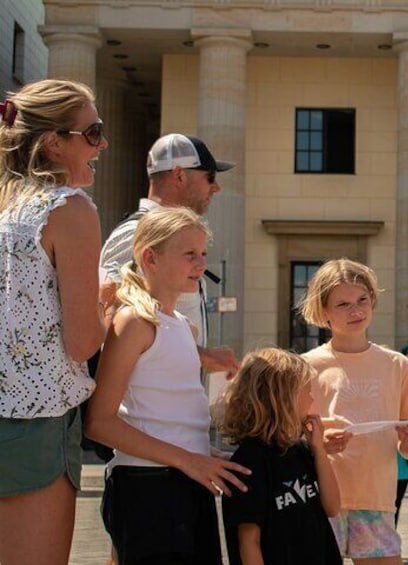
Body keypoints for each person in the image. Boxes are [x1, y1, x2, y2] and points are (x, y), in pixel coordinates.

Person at [85, 207, 251, 564]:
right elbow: (99, 423)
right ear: (150, 257)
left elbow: (171, 414)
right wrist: (190, 458)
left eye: (204, 254)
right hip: (146, 486)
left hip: (190, 482)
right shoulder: (133, 321)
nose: (200, 263)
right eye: (190, 254)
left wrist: (204, 453)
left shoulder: (183, 327)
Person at [0, 79, 110, 565]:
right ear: (52, 143)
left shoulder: (6, 206)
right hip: (34, 425)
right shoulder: (68, 209)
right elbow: (83, 342)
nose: (102, 144)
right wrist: (108, 301)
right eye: (92, 132)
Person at [300, 259, 408, 565]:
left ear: (373, 300)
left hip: (376, 498)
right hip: (320, 496)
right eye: (342, 304)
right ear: (323, 310)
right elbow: (289, 436)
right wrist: (318, 444)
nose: (355, 311)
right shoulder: (304, 367)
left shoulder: (397, 365)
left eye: (362, 300)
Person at [99, 132, 238, 373]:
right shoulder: (134, 233)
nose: (216, 187)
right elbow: (112, 328)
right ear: (179, 175)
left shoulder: (156, 232)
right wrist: (203, 356)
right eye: (210, 176)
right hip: (143, 404)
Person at [221, 347, 342, 565]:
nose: (312, 398)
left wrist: (319, 450)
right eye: (307, 390)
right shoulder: (249, 461)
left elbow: (332, 507)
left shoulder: (302, 451)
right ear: (282, 398)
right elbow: (249, 542)